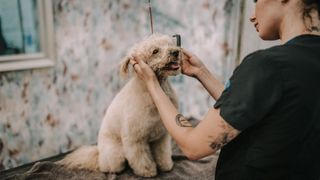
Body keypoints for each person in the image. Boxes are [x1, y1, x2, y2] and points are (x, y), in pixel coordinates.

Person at [130, 0, 320, 179]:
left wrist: (153, 85)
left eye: (255, 0)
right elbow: (250, 109)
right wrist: (201, 72)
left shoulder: (267, 64)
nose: (252, 16)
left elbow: (193, 146)